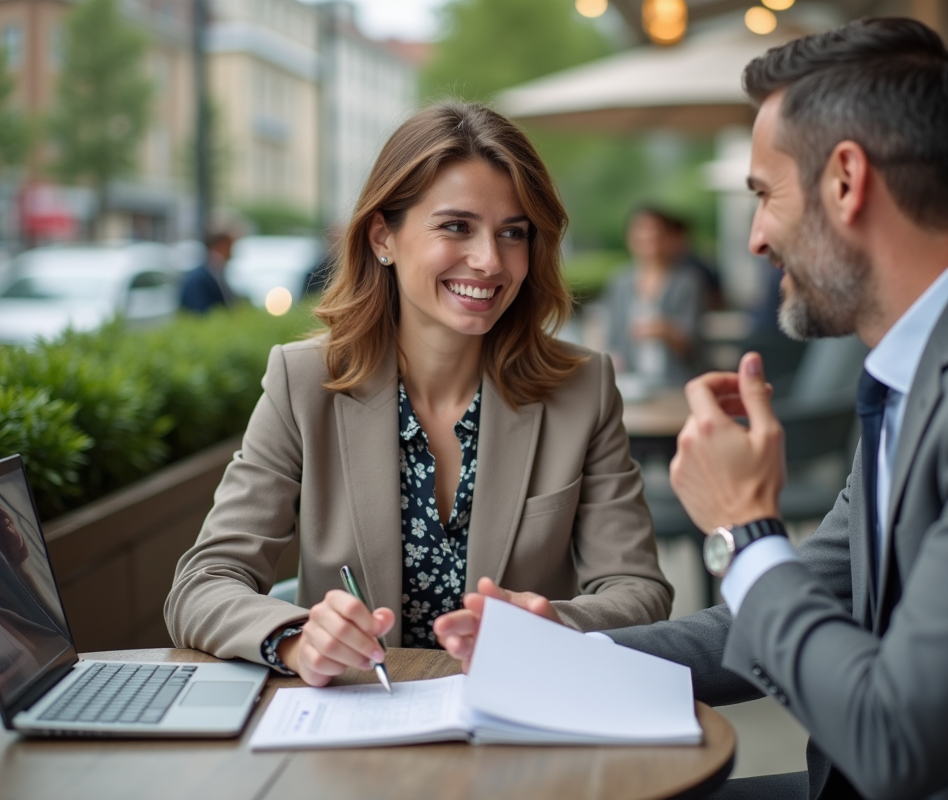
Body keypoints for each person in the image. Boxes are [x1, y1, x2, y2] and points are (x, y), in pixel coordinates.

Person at [434, 19, 948, 800]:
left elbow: (894, 740)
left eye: (765, 195)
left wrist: (744, 525)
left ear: (845, 181)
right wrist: (561, 645)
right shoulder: (935, 369)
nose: (758, 240)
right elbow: (783, 610)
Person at [165, 102, 673, 687]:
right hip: (354, 739)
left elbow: (640, 591)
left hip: (518, 725)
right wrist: (300, 639)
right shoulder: (303, 383)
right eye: (456, 226)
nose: (489, 261)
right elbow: (202, 585)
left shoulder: (583, 388)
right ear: (384, 236)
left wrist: (554, 622)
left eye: (513, 233)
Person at [600, 207, 708, 386]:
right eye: (641, 231)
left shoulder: (688, 282)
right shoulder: (620, 282)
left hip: (677, 382)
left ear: (668, 238)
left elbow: (694, 341)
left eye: (656, 232)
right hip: (633, 382)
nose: (649, 238)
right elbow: (614, 339)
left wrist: (664, 330)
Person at [179, 231, 237, 313]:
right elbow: (199, 313)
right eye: (229, 246)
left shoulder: (214, 272)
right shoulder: (198, 279)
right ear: (220, 245)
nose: (231, 251)